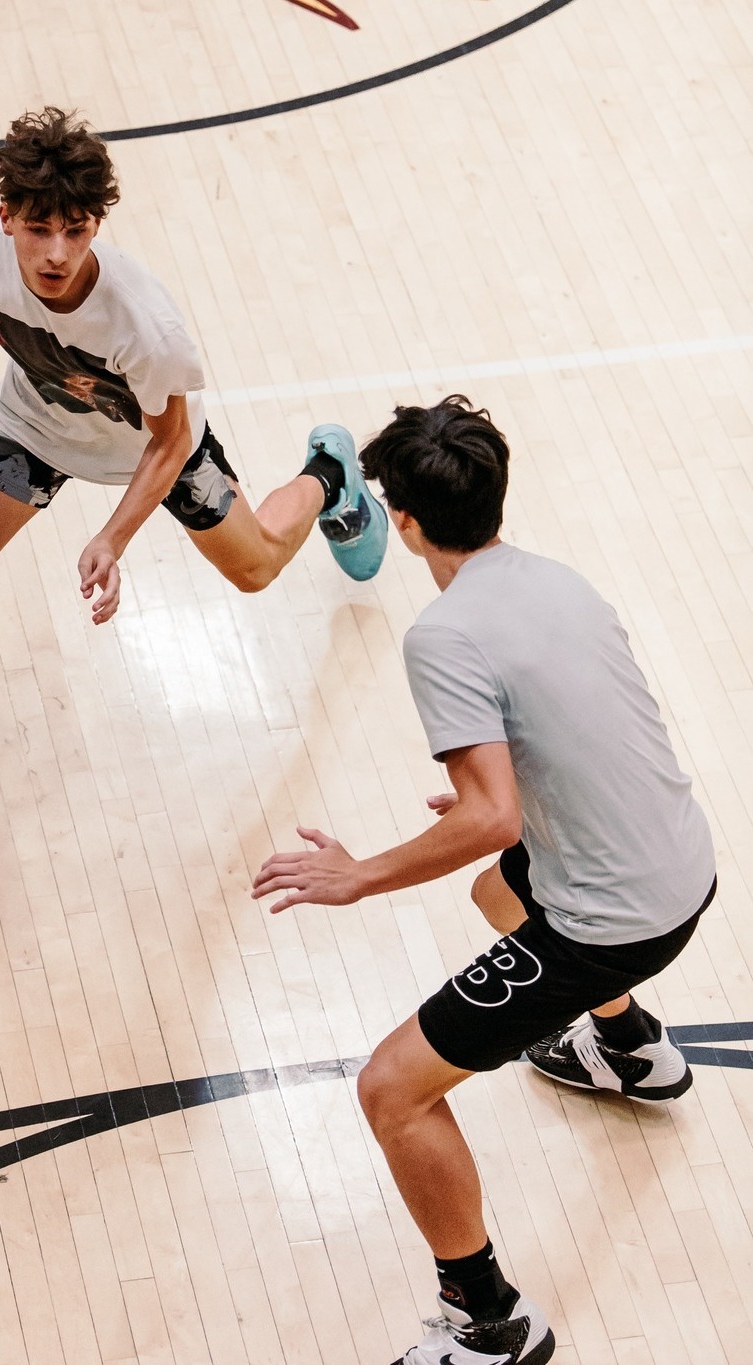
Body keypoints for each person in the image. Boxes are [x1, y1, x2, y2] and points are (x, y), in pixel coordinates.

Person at [251, 395, 716, 1365]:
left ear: (407, 524)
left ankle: (490, 1321)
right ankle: (630, 1047)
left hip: (615, 921)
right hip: (683, 861)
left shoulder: (446, 634)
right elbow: (561, 753)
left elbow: (491, 815)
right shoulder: (558, 581)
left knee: (393, 1090)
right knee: (500, 894)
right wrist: (515, 803)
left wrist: (358, 876)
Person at [0, 107, 386, 784]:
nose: (57, 252)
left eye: (76, 230)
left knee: (257, 568)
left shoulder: (146, 325)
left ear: (97, 223)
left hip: (148, 453)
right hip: (30, 428)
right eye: (38, 229)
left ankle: (330, 476)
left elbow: (169, 442)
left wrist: (112, 536)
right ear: (6, 215)